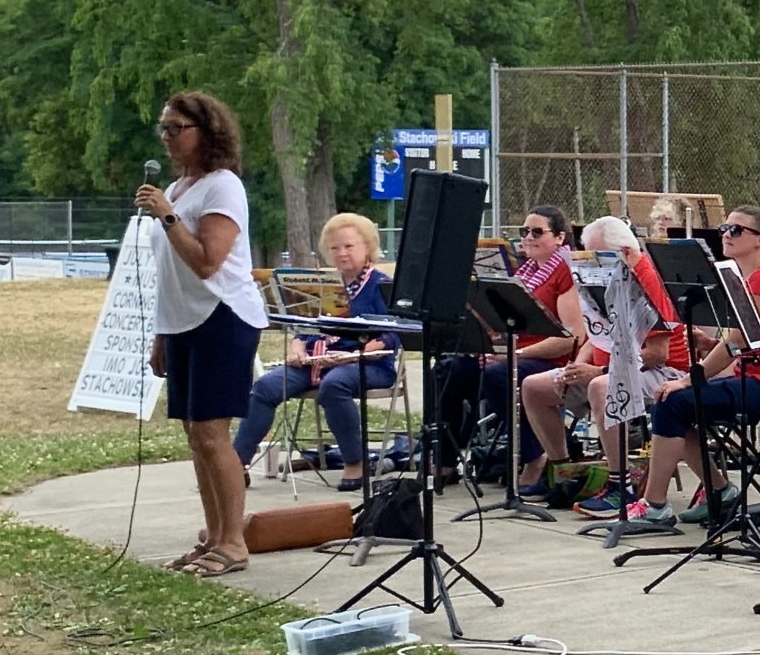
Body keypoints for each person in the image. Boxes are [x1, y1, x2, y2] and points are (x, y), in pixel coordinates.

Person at [136, 91, 266, 579]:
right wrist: (162, 335)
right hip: (183, 322)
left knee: (214, 435)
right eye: (163, 129)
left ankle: (235, 543)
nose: (167, 138)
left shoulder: (222, 186)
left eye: (177, 129)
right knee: (195, 435)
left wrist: (168, 215)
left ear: (206, 132)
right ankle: (212, 536)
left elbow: (208, 262)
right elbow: (171, 273)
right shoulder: (181, 184)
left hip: (223, 317)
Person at [630, 205, 760, 525]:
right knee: (676, 406)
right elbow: (748, 340)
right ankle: (719, 490)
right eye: (725, 228)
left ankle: (655, 505)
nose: (727, 234)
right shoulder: (741, 275)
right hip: (752, 375)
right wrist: (710, 346)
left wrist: (688, 379)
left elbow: (740, 340)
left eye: (737, 230)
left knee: (674, 401)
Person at [517, 215, 685, 509]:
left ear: (627, 253)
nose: (592, 261)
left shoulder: (647, 278)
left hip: (662, 370)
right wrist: (576, 365)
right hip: (610, 366)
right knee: (534, 386)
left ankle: (621, 484)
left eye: (599, 255)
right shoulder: (603, 275)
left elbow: (658, 353)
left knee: (602, 387)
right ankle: (564, 472)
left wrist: (600, 370)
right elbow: (594, 334)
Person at [231, 213, 399, 492]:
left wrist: (354, 354)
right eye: (335, 248)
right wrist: (297, 348)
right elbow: (304, 327)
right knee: (264, 387)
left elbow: (394, 335)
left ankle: (355, 463)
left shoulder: (381, 285)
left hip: (367, 364)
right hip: (315, 362)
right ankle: (237, 465)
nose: (341, 253)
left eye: (349, 246)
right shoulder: (320, 285)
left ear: (367, 247)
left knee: (334, 386)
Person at [434, 205, 584, 483]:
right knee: (450, 369)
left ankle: (534, 456)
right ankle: (445, 461)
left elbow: (571, 338)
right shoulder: (525, 272)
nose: (528, 237)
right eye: (524, 231)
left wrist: (515, 354)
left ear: (560, 237)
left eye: (537, 231)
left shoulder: (566, 271)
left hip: (550, 360)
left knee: (500, 376)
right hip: (517, 353)